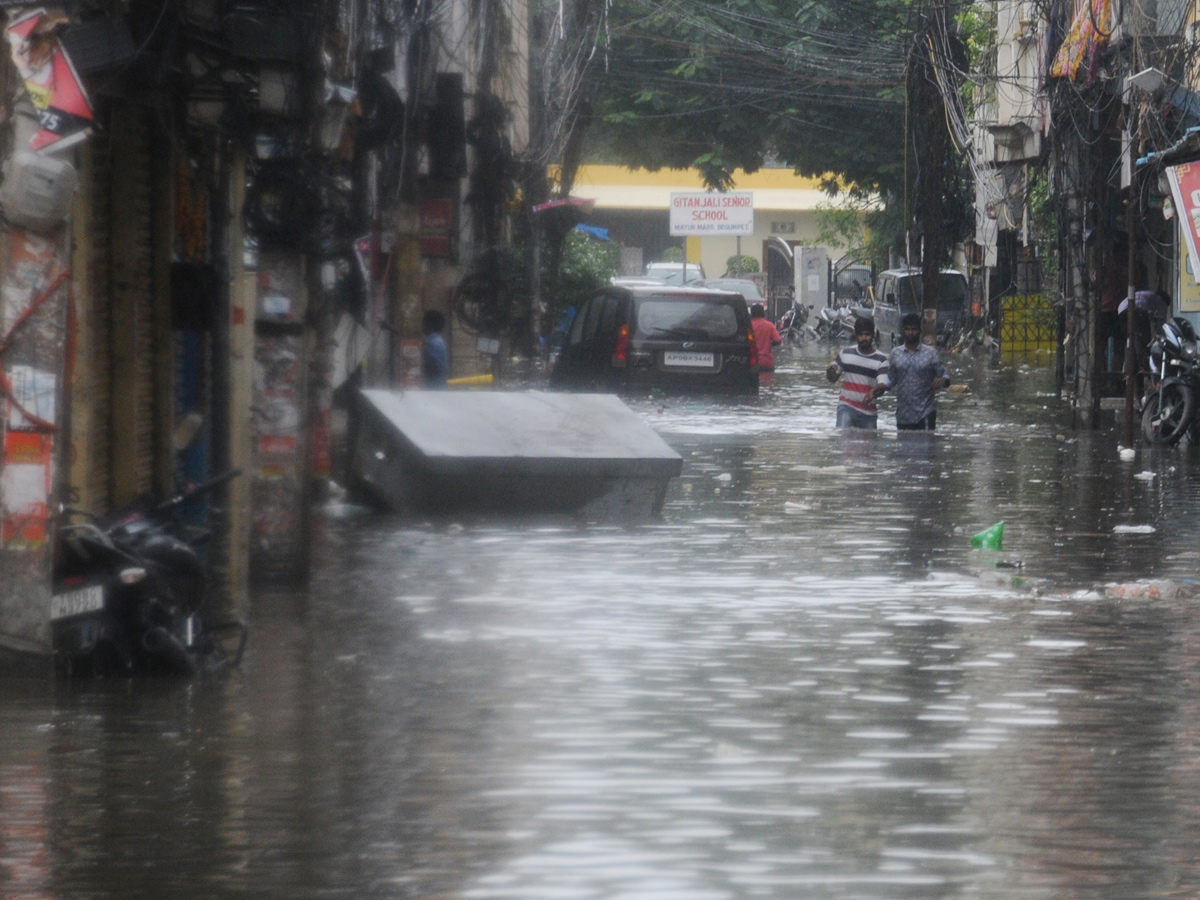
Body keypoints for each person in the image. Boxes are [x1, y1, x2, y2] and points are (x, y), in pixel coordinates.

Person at [871, 313, 950, 431]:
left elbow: (945, 376)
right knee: (904, 448)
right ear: (903, 331)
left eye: (914, 329)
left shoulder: (931, 353)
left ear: (920, 331)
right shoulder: (895, 353)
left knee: (927, 447)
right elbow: (891, 380)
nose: (911, 333)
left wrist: (943, 381)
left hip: (926, 412)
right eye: (907, 329)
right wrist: (878, 388)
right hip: (903, 414)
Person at [826, 316, 889, 428]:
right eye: (860, 335)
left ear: (873, 335)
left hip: (869, 413)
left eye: (867, 335)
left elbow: (883, 385)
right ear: (855, 336)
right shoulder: (845, 354)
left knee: (869, 445)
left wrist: (874, 391)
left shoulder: (881, 359)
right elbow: (832, 379)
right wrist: (830, 372)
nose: (864, 338)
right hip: (846, 408)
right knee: (843, 440)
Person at [750, 303, 782, 380]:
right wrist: (769, 344)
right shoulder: (769, 325)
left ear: (751, 313)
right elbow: (778, 340)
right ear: (763, 313)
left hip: (751, 362)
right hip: (767, 362)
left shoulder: (748, 325)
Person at [422, 309, 448, 388]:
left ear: (430, 325)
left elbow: (433, 366)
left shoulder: (434, 343)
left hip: (433, 389)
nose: (422, 326)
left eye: (424, 323)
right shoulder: (437, 341)